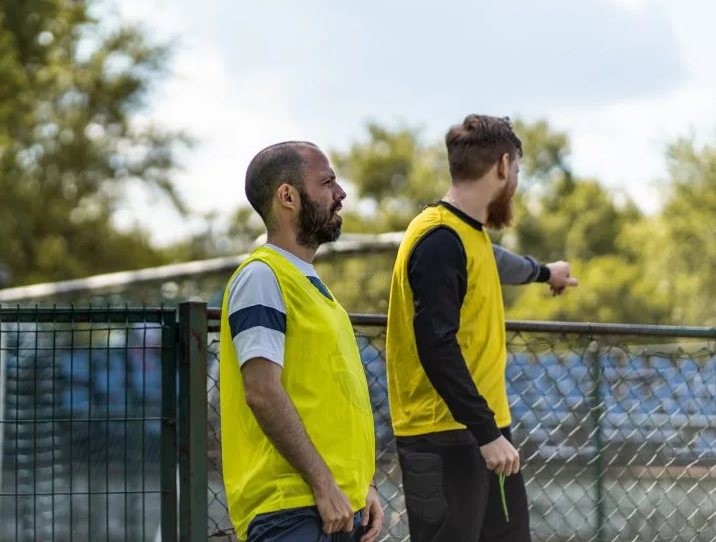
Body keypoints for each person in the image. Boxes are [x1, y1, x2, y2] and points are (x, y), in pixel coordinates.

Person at [385, 114, 578, 542]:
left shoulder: (467, 235)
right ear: (504, 166)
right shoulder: (438, 239)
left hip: (482, 431)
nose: (516, 182)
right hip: (444, 437)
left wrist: (548, 273)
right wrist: (486, 434)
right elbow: (436, 346)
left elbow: (500, 262)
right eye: (518, 172)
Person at [219, 141, 383, 542]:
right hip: (291, 511)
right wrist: (324, 482)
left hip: (335, 505)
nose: (340, 193)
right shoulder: (261, 276)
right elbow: (261, 391)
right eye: (327, 182)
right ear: (287, 196)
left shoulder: (309, 286)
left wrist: (363, 485)